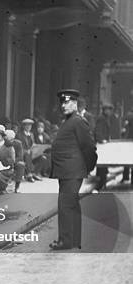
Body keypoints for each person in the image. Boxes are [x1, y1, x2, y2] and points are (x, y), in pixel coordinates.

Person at [49, 89, 97, 250]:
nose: (64, 105)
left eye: (67, 102)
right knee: (72, 205)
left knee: (65, 205)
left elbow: (89, 148)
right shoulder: (69, 121)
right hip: (67, 171)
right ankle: (74, 240)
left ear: (75, 104)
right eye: (62, 102)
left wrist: (87, 167)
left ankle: (65, 241)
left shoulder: (77, 121)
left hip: (72, 172)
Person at [94, 103, 121, 190]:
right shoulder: (101, 118)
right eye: (109, 110)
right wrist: (102, 140)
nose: (110, 112)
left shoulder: (105, 118)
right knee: (102, 164)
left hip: (105, 144)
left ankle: (103, 182)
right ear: (105, 110)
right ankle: (101, 183)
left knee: (104, 165)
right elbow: (98, 130)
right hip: (102, 145)